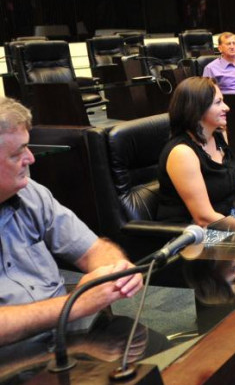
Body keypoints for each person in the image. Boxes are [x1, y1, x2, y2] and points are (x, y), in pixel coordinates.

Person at [0, 97, 143, 347]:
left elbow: (94, 249)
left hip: (68, 335)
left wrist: (113, 271)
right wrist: (74, 304)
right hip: (13, 356)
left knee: (162, 359)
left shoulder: (31, 193)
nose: (31, 158)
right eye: (17, 153)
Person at [157, 77, 235, 227]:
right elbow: (204, 218)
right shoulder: (182, 153)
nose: (227, 107)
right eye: (218, 102)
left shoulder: (219, 136)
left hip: (225, 219)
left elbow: (221, 181)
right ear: (197, 108)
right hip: (193, 234)